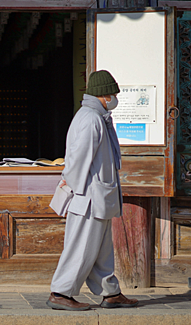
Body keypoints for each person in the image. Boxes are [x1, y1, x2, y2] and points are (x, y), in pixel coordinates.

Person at [46, 70, 139, 311]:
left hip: (98, 197)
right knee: (82, 248)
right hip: (88, 197)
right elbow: (78, 159)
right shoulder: (91, 118)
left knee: (101, 250)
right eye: (112, 94)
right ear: (104, 94)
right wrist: (74, 188)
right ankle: (61, 292)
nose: (114, 99)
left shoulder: (95, 116)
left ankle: (111, 293)